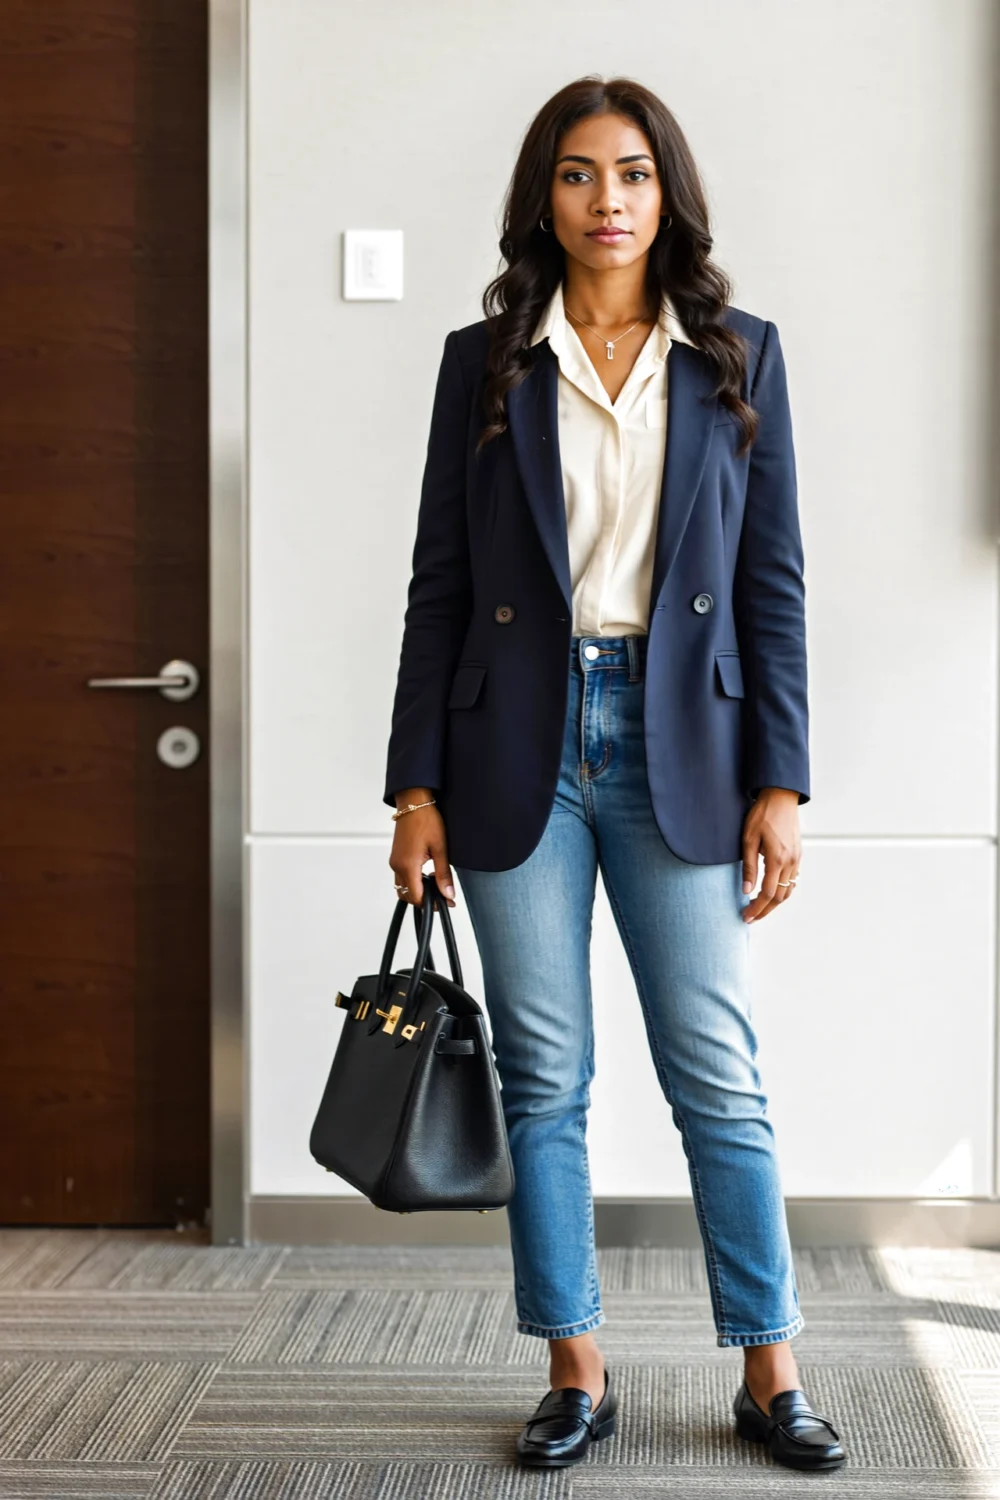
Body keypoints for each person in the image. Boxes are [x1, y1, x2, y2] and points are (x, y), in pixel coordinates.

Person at [383, 74, 845, 1474]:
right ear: (545, 197)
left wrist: (783, 780)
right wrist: (414, 789)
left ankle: (770, 1370)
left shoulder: (738, 357)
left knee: (717, 1074)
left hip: (680, 741)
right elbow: (438, 584)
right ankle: (574, 1369)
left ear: (668, 194)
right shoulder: (486, 362)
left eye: (633, 174)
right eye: (579, 174)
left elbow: (773, 584)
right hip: (513, 748)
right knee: (545, 1078)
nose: (607, 200)